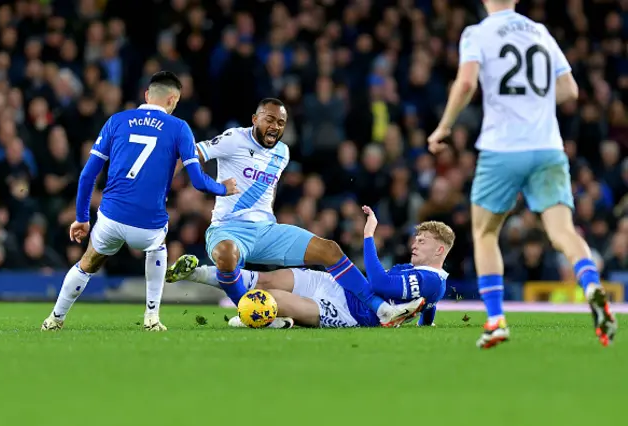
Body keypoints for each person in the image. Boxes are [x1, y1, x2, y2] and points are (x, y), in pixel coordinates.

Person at [427, 0, 617, 348]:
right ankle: (592, 286)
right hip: (548, 147)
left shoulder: (478, 33)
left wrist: (443, 127)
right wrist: (536, 103)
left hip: (502, 147)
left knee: (486, 232)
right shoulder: (540, 33)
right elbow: (570, 90)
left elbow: (466, 83)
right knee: (562, 231)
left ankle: (496, 320)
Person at [192, 98, 424, 327]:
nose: (275, 126)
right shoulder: (234, 138)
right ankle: (246, 313)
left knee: (329, 249)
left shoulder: (282, 153)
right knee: (227, 255)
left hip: (265, 231)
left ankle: (382, 309)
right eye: (269, 119)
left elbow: (266, 193)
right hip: (228, 228)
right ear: (255, 119)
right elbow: (193, 154)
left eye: (281, 122)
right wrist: (214, 187)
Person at [41, 71, 237, 332]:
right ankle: (152, 316)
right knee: (158, 247)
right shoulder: (179, 128)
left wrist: (81, 217)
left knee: (87, 263)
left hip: (111, 217)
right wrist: (222, 188)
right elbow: (199, 182)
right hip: (148, 224)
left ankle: (55, 318)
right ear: (172, 100)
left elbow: (88, 174)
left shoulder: (117, 121)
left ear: (146, 95)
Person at [165, 208, 452, 329]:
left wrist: (368, 236)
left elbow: (379, 282)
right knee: (265, 280)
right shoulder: (427, 281)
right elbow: (427, 303)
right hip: (341, 285)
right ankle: (198, 274)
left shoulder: (430, 280)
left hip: (351, 312)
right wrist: (428, 324)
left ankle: (254, 316)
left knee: (271, 298)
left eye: (423, 241)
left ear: (440, 250)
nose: (415, 244)